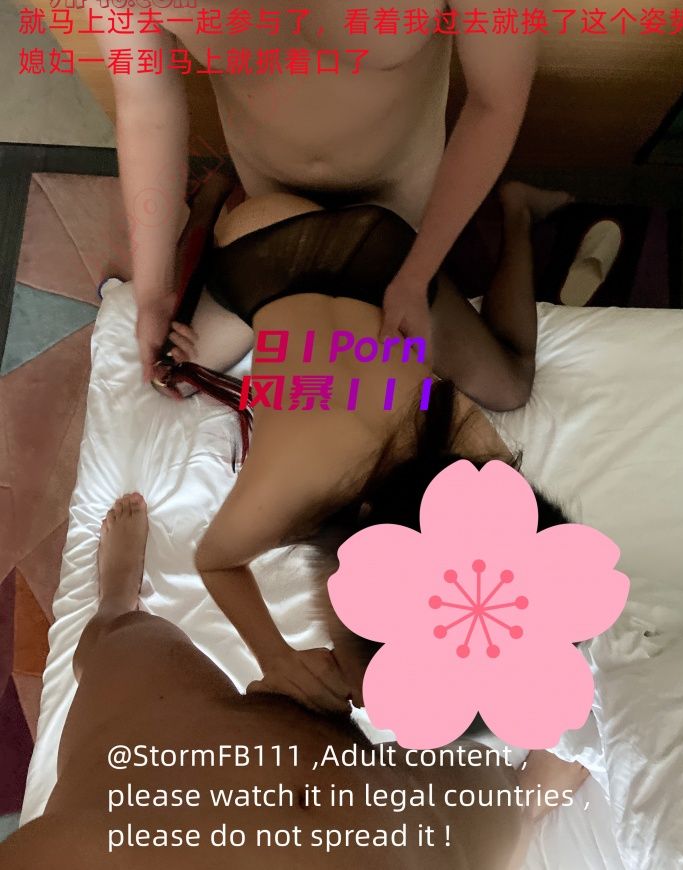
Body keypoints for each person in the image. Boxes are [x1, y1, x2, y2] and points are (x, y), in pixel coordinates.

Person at [0, 494, 589, 870]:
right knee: (494, 799)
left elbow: (219, 559)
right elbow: (219, 558)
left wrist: (277, 658)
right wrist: (282, 661)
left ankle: (114, 603)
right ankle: (531, 798)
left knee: (123, 638)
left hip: (163, 766)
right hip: (394, 816)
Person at [155, 181, 571, 709]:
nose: (356, 695)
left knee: (510, 388)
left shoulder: (479, 481)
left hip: (382, 254)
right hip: (269, 242)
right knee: (172, 378)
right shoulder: (292, 491)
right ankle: (213, 201)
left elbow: (523, 579)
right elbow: (214, 562)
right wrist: (275, 657)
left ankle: (517, 211)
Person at [70, 0, 549, 381]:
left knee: (492, 384)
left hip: (397, 212)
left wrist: (416, 273)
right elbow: (145, 104)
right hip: (269, 212)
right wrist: (153, 292)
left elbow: (495, 102)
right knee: (174, 377)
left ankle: (518, 214)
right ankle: (217, 211)